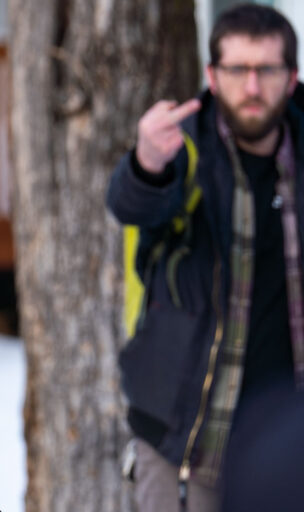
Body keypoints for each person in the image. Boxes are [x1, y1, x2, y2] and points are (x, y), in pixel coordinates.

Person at [107, 4, 304, 511]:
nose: (253, 87)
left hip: (287, 433)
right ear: (213, 76)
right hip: (187, 431)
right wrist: (147, 163)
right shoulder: (184, 148)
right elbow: (134, 202)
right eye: (238, 70)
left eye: (268, 69)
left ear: (294, 76)